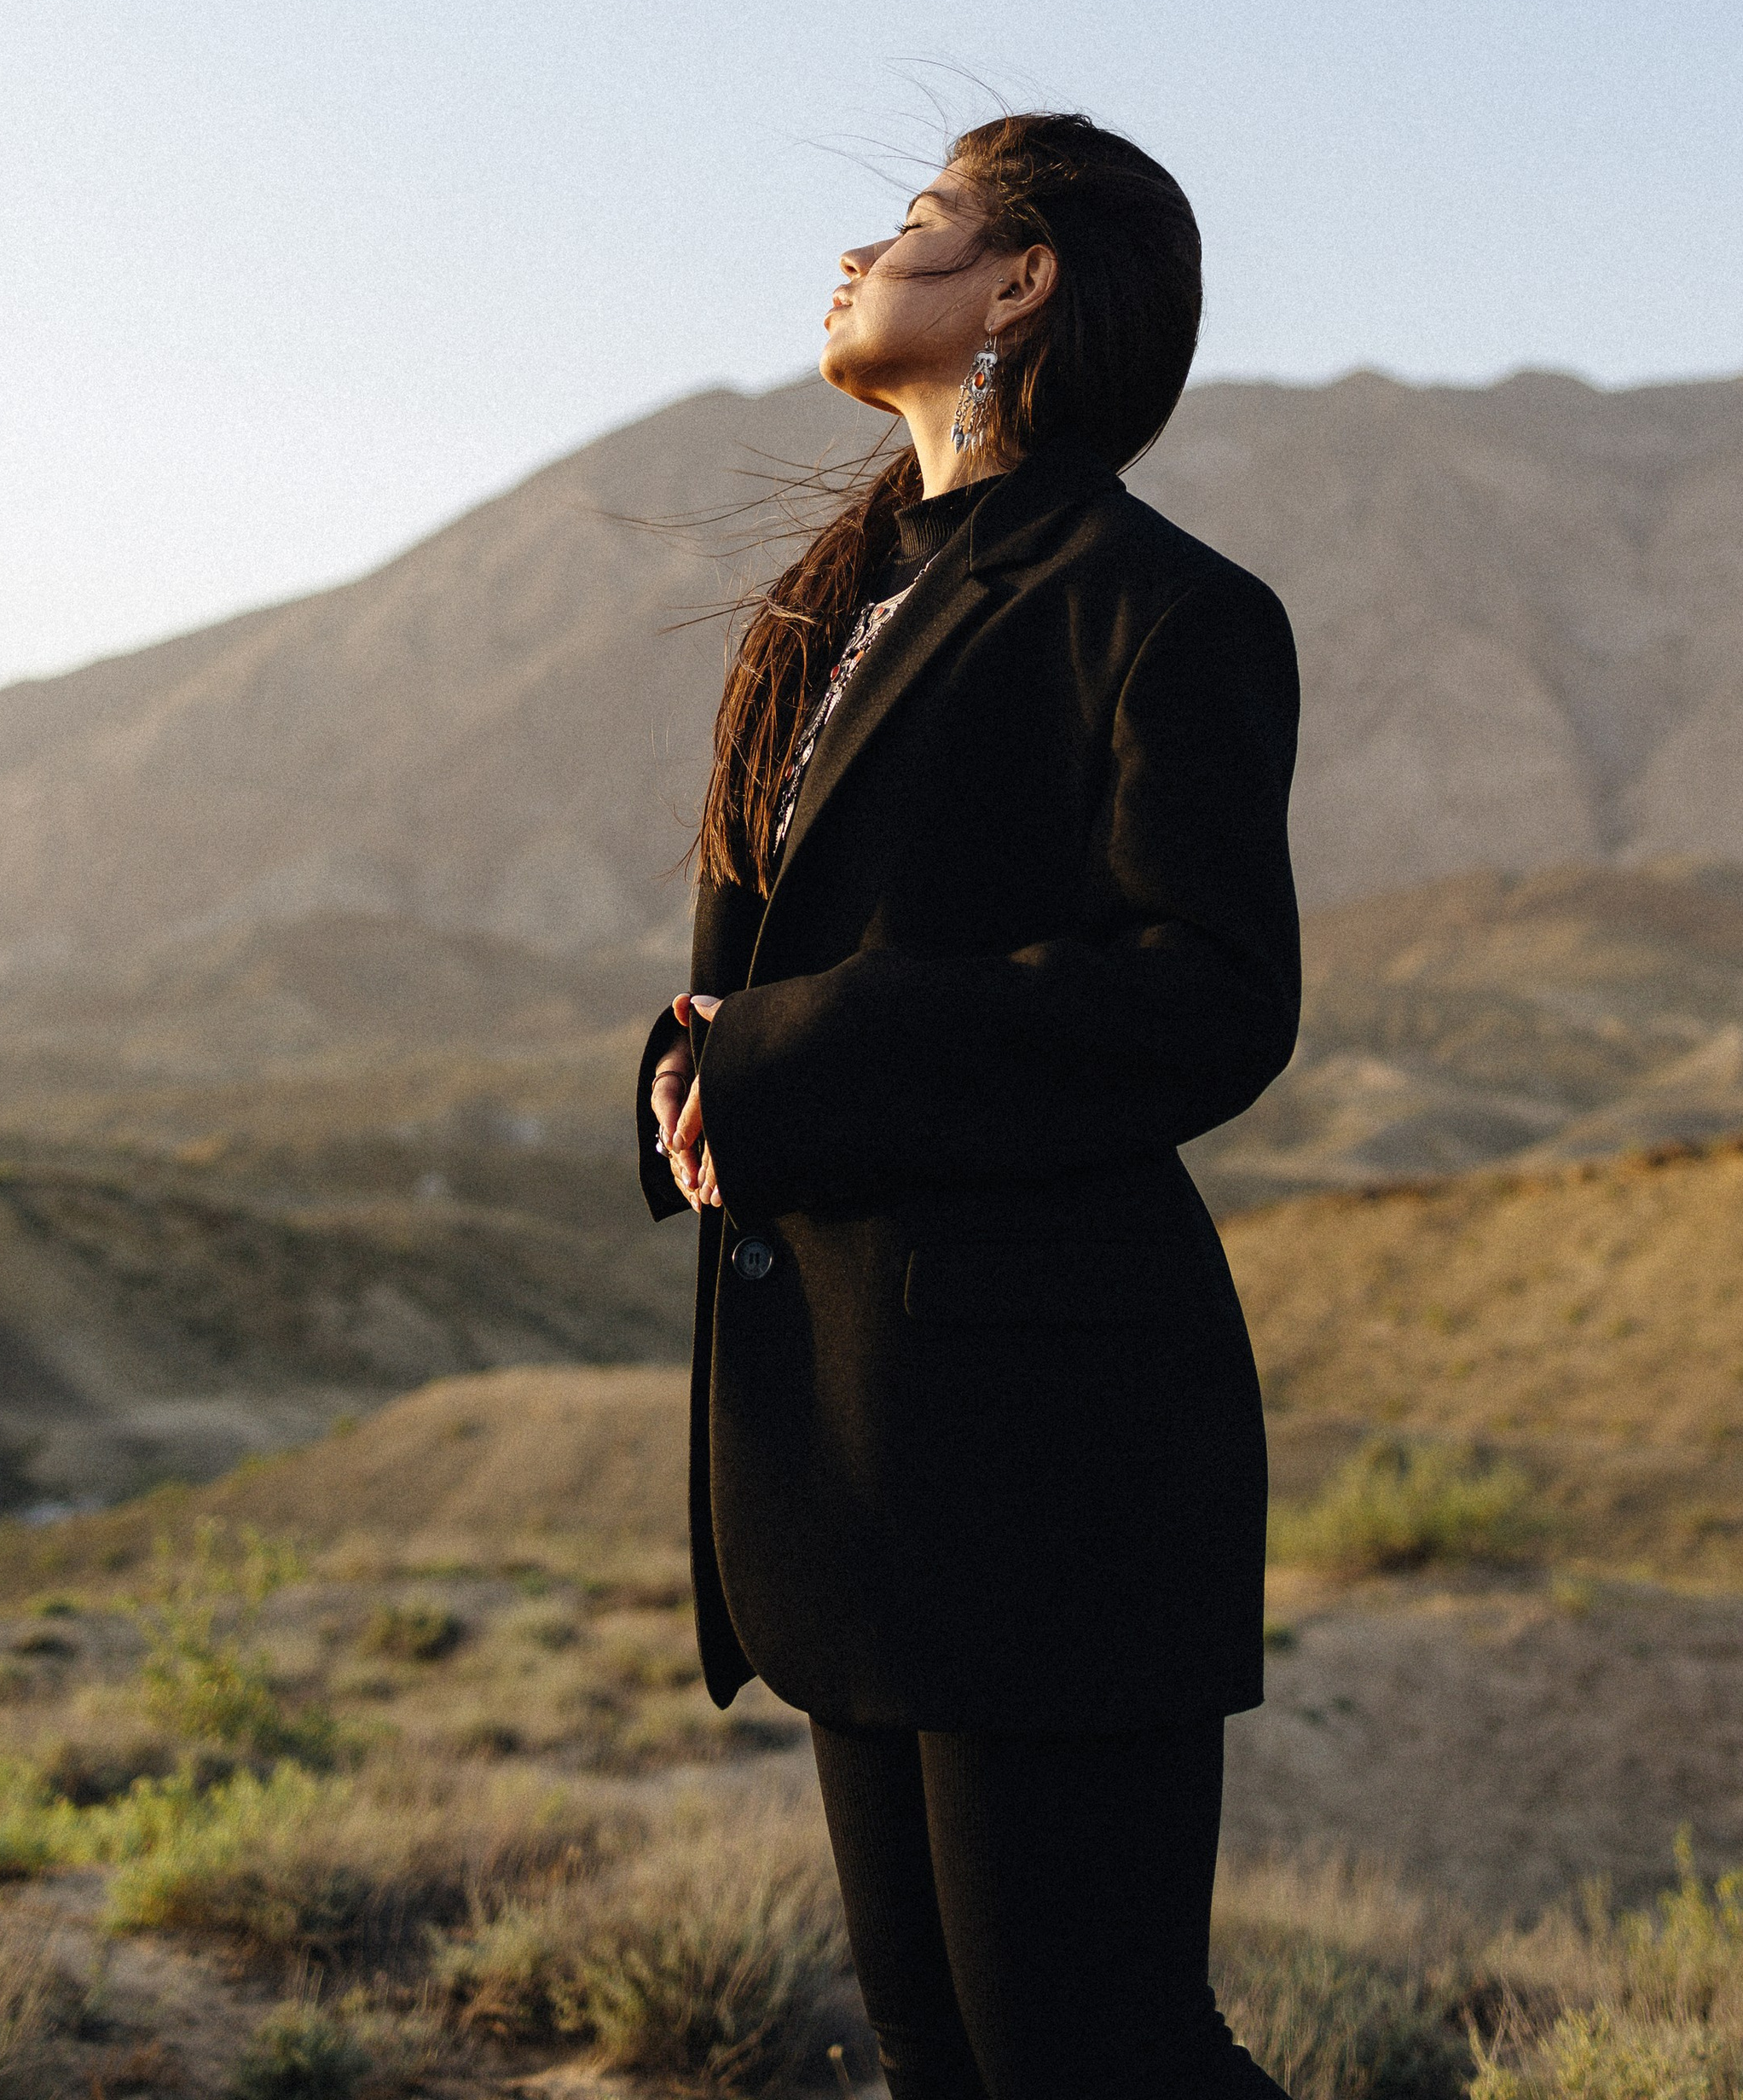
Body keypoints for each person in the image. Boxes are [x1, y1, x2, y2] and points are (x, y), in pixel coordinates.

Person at [636, 110, 1301, 2100]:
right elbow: (752, 973)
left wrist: (800, 1054)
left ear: (1020, 284)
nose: (862, 249)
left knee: (1092, 2056)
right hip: (837, 1443)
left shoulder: (1158, 607)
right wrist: (693, 1066)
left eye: (920, 220)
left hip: (1047, 1449)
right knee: (939, 2061)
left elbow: (1209, 1001)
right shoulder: (822, 609)